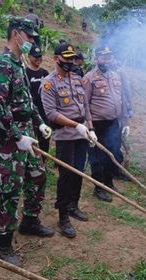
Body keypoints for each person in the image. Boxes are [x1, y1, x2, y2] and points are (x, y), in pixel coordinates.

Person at [0, 17, 54, 267]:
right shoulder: (1, 64)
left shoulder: (19, 64)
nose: (32, 41)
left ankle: (29, 221)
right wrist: (16, 136)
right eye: (30, 37)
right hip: (7, 141)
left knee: (37, 175)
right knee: (9, 191)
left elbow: (27, 102)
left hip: (26, 133)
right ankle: (2, 244)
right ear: (16, 34)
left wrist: (40, 122)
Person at [41, 43, 96, 238]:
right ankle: (63, 215)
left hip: (82, 133)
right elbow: (51, 113)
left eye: (73, 58)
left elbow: (86, 106)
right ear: (56, 58)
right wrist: (76, 125)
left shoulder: (77, 78)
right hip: (65, 135)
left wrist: (90, 127)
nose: (70, 62)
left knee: (79, 172)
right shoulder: (49, 83)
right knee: (66, 175)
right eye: (66, 58)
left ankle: (74, 205)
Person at [83, 46, 131, 202]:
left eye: (109, 57)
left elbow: (122, 100)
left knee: (113, 154)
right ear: (96, 58)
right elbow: (85, 104)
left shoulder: (116, 76)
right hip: (97, 124)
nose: (107, 60)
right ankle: (99, 187)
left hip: (113, 123)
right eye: (103, 57)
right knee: (97, 157)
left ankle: (109, 183)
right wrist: (89, 127)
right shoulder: (89, 78)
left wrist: (125, 122)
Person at [25, 44, 50, 152]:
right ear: (29, 57)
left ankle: (43, 162)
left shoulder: (45, 73)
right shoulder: (25, 73)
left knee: (45, 139)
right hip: (30, 112)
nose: (39, 59)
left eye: (40, 56)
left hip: (44, 111)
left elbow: (49, 91)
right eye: (36, 56)